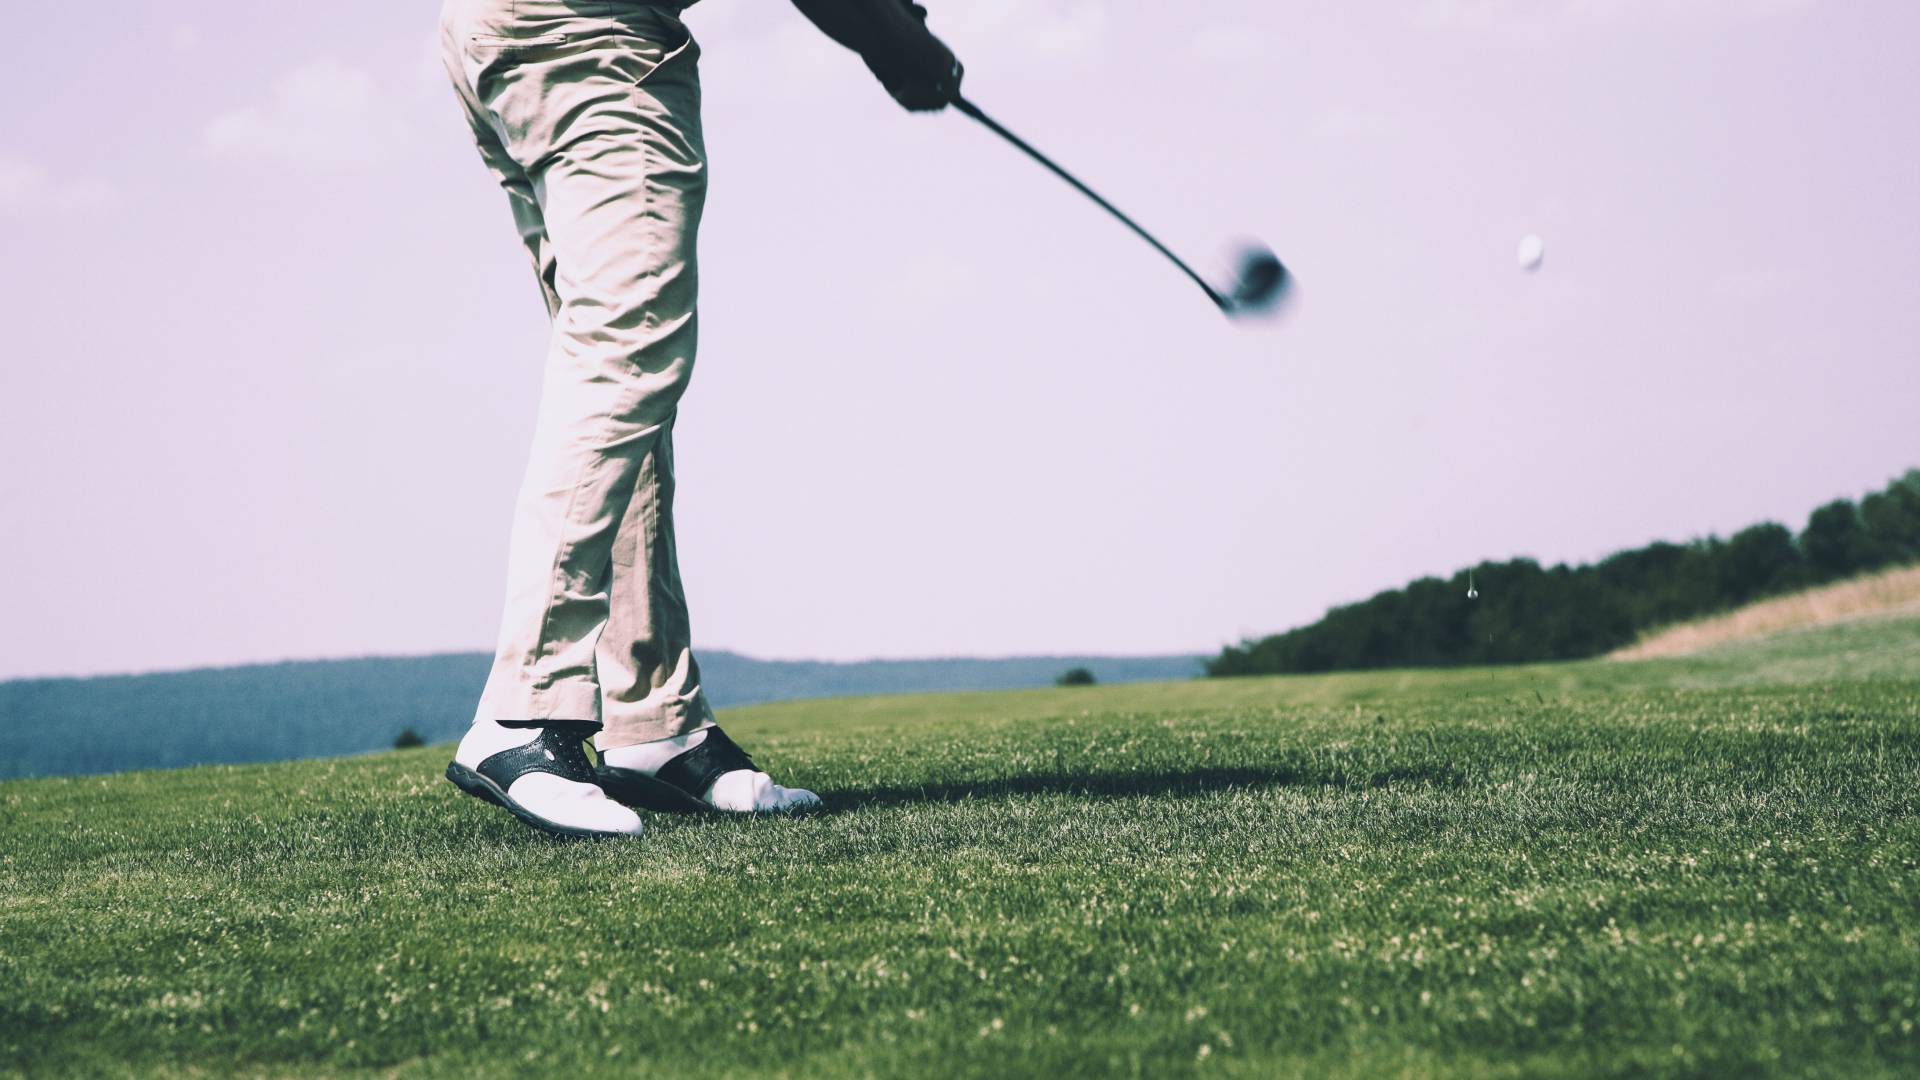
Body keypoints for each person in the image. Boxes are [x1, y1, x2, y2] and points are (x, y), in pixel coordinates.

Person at [437, 0, 961, 837]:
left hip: (500, 32)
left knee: (617, 379)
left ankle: (654, 724)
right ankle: (526, 711)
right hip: (592, 34)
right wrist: (899, 41)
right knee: (626, 350)